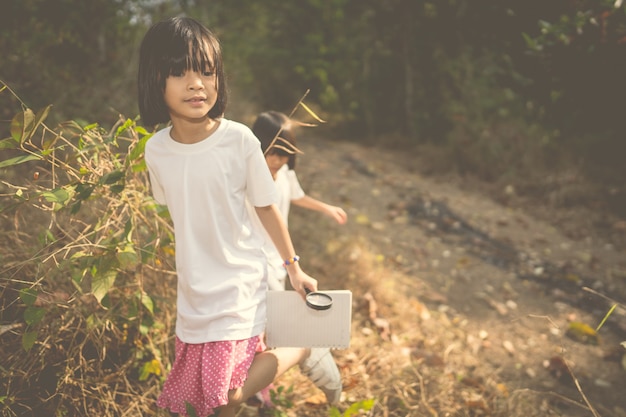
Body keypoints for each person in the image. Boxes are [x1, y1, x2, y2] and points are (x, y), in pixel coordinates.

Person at [138, 17, 341, 417]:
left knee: (225, 397)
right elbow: (177, 212)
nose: (197, 83)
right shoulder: (156, 150)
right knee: (204, 405)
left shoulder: (239, 140)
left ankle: (300, 345)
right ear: (154, 81)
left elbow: (266, 207)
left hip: (239, 285)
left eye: (207, 72)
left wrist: (294, 268)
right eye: (179, 72)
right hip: (194, 293)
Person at [250, 111, 348, 291]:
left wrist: (327, 208)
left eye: (284, 153)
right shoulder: (248, 178)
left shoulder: (286, 172)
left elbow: (297, 196)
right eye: (272, 152)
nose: (277, 159)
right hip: (254, 261)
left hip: (279, 259)